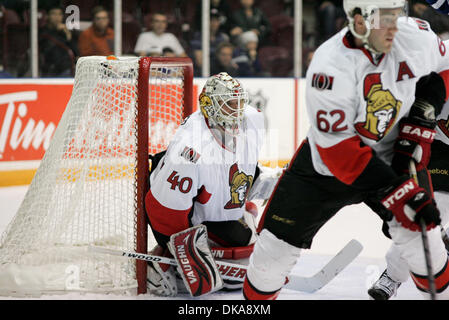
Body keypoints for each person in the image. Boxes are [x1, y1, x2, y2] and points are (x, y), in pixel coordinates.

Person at [242, 0, 449, 300]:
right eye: (384, 18)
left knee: (426, 243)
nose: (394, 25)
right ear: (359, 20)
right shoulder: (329, 67)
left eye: (397, 15)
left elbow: (443, 69)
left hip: (391, 156)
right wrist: (398, 189)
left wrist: (422, 116)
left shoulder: (415, 36)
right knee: (269, 261)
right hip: (325, 169)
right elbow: (340, 154)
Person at [144, 72, 267, 297]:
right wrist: (184, 250)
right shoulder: (190, 149)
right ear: (209, 106)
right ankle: (161, 263)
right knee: (234, 275)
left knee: (240, 264)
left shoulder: (253, 119)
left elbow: (243, 164)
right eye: (229, 104)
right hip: (176, 214)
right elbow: (163, 209)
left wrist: (253, 188)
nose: (237, 111)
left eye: (240, 102)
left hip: (208, 207)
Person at [39, 6, 79, 77]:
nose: (57, 17)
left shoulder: (65, 32)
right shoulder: (43, 32)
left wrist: (68, 35)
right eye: (53, 14)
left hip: (68, 68)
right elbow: (47, 51)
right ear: (47, 16)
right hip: (50, 70)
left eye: (59, 14)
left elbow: (76, 53)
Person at [190, 9, 230, 76]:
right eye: (211, 20)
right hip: (203, 71)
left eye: (216, 20)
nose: (213, 23)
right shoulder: (198, 36)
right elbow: (199, 59)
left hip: (220, 69)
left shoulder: (222, 37)